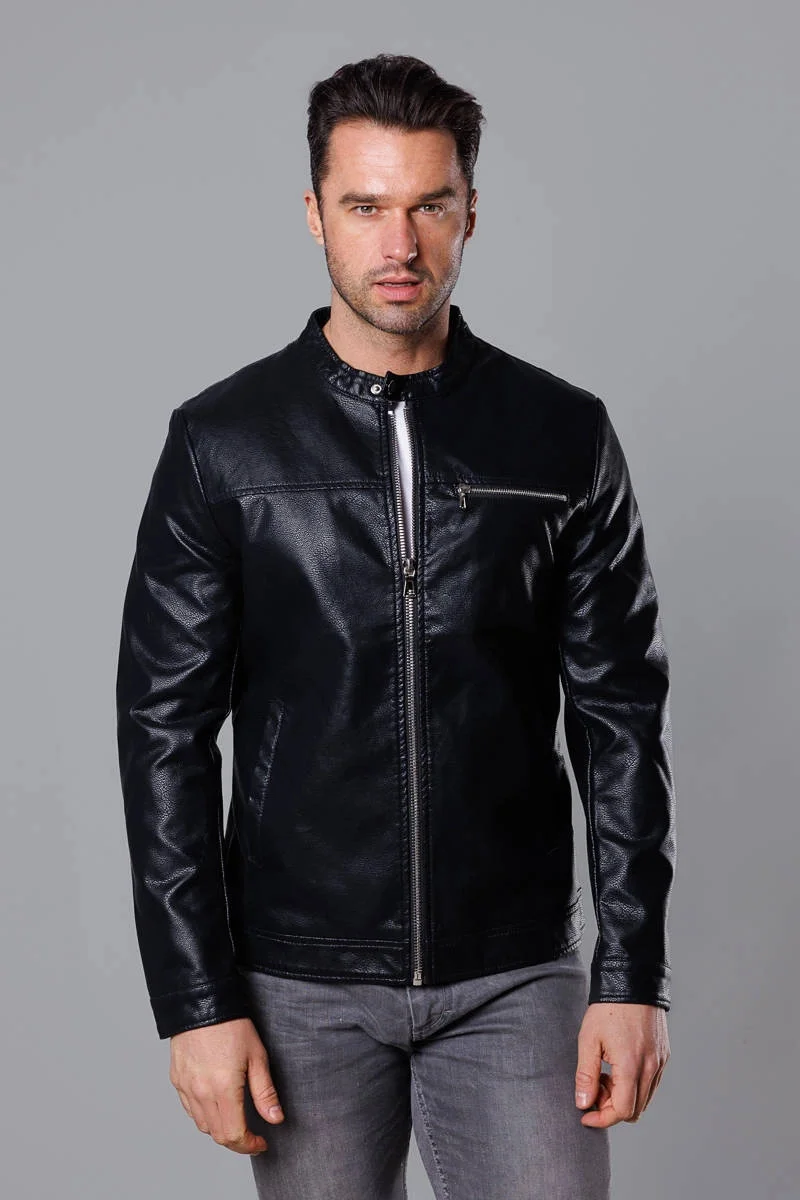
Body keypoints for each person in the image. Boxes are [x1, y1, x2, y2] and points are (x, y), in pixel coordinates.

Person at [115, 52, 675, 1200]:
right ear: (313, 212)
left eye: (428, 204)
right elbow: (162, 733)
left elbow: (619, 715)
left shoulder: (560, 435)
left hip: (512, 972)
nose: (399, 243)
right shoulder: (224, 444)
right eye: (365, 206)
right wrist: (195, 1001)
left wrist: (631, 976)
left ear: (470, 211)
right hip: (298, 980)